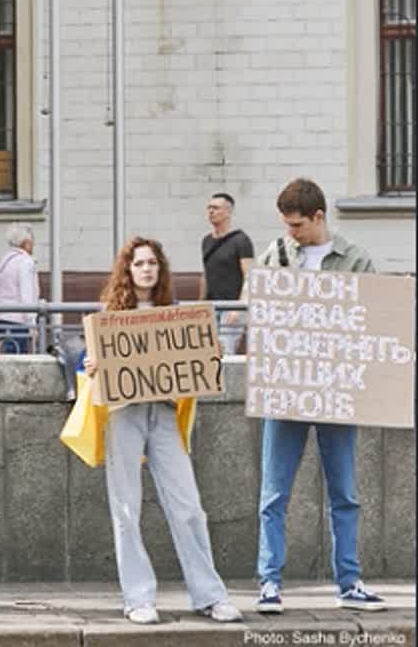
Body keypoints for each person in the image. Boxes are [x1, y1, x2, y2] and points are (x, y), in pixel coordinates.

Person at [83, 237, 240, 626]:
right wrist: (93, 367)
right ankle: (137, 598)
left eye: (153, 263)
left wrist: (209, 354)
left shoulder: (175, 314)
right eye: (139, 263)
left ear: (161, 269)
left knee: (188, 507)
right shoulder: (110, 315)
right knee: (126, 508)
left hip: (165, 414)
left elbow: (193, 363)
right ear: (128, 270)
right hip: (124, 414)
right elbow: (92, 368)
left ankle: (209, 595)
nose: (147, 269)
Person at [253, 178, 382, 614]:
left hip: (336, 391)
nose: (291, 233)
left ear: (319, 217)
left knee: (344, 492)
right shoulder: (276, 255)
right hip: (286, 387)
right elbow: (260, 311)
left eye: (297, 225)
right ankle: (269, 583)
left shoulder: (357, 260)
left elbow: (373, 322)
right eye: (287, 226)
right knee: (274, 494)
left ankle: (349, 581)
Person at [199, 192, 253, 352]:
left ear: (228, 211)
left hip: (231, 307)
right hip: (210, 306)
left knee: (226, 352)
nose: (211, 212)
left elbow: (249, 276)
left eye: (215, 208)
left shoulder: (241, 240)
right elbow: (205, 274)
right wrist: (200, 304)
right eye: (209, 208)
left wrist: (239, 307)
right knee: (208, 351)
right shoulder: (206, 241)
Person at [0, 222, 38, 354]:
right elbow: (27, 294)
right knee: (19, 356)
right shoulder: (25, 262)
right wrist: (32, 322)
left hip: (1, 316)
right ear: (26, 243)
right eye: (32, 242)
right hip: (18, 319)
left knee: (9, 354)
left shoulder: (5, 262)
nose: (33, 245)